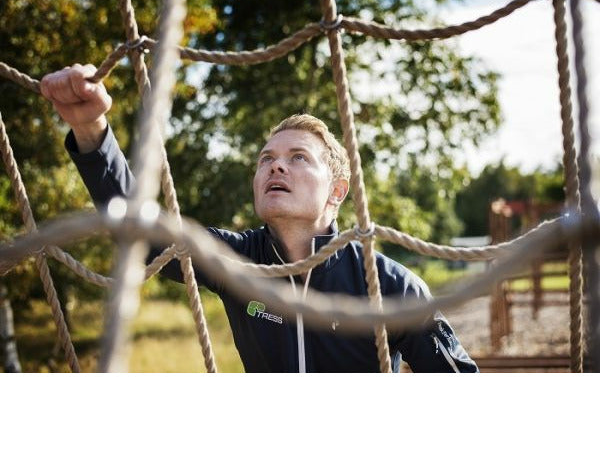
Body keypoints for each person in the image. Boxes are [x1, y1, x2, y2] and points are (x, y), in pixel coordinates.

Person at [41, 64, 478, 373]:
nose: (276, 166)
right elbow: (146, 236)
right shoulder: (234, 259)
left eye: (298, 158)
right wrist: (90, 129)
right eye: (266, 159)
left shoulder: (389, 286)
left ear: (338, 190)